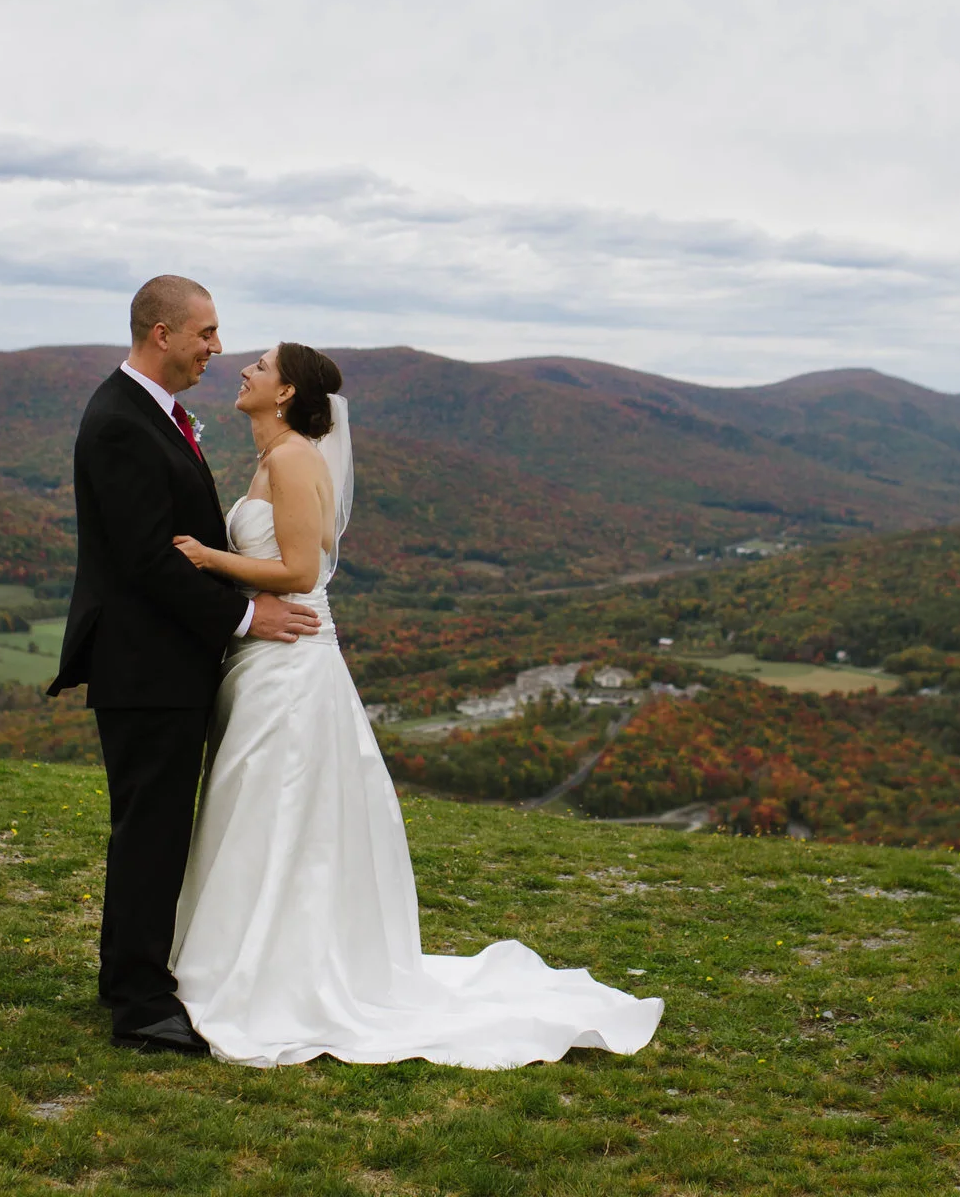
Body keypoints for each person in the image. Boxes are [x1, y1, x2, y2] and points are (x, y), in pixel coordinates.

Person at [163, 339, 662, 1067]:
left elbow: (301, 569)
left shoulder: (296, 459)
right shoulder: (276, 459)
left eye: (261, 367)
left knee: (275, 809)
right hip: (264, 657)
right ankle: (240, 958)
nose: (243, 368)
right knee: (257, 812)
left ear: (285, 393)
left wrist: (207, 560)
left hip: (290, 663)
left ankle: (272, 975)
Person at [47, 275, 319, 1054]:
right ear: (160, 334)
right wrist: (246, 614)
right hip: (146, 668)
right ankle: (139, 1002)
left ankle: (129, 975)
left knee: (158, 828)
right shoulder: (118, 423)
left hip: (170, 663)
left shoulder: (152, 415)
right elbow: (143, 561)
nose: (217, 347)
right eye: (205, 333)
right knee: (151, 831)